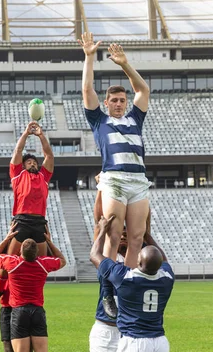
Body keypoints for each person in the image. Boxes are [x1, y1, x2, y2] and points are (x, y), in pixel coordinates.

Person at [78, 31, 151, 272]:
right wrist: (89, 57)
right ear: (106, 103)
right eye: (114, 100)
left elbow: (143, 91)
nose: (119, 103)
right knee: (113, 233)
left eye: (122, 100)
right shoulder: (100, 121)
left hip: (138, 180)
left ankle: (127, 284)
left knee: (137, 238)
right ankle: (108, 286)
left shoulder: (134, 119)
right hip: (115, 179)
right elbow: (87, 90)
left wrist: (125, 65)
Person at [90, 216, 174, 352]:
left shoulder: (125, 277)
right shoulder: (167, 277)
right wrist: (147, 235)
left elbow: (95, 256)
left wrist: (102, 230)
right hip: (159, 342)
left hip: (135, 342)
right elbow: (163, 258)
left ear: (139, 262)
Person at [0, 225, 67, 352]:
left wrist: (8, 238)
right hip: (35, 310)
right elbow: (61, 261)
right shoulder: (42, 264)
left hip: (18, 311)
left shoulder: (12, 263)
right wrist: (49, 241)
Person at [0, 120, 55, 308]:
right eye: (29, 162)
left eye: (34, 162)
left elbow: (49, 155)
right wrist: (26, 134)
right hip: (21, 221)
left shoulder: (43, 176)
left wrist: (41, 135)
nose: (32, 163)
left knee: (41, 264)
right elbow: (17, 153)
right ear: (23, 165)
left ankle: (35, 296)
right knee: (5, 263)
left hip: (40, 223)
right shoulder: (17, 175)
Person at [86, 221, 149, 352]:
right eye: (118, 231)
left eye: (126, 231)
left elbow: (144, 230)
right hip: (107, 328)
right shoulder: (107, 255)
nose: (122, 234)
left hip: (132, 331)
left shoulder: (142, 257)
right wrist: (103, 228)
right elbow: (95, 249)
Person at [92, 173, 152, 320]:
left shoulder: (139, 256)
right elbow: (99, 221)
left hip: (130, 318)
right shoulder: (107, 254)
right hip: (106, 319)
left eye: (126, 234)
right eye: (121, 234)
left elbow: (145, 227)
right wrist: (101, 189)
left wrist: (140, 196)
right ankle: (108, 297)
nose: (123, 236)